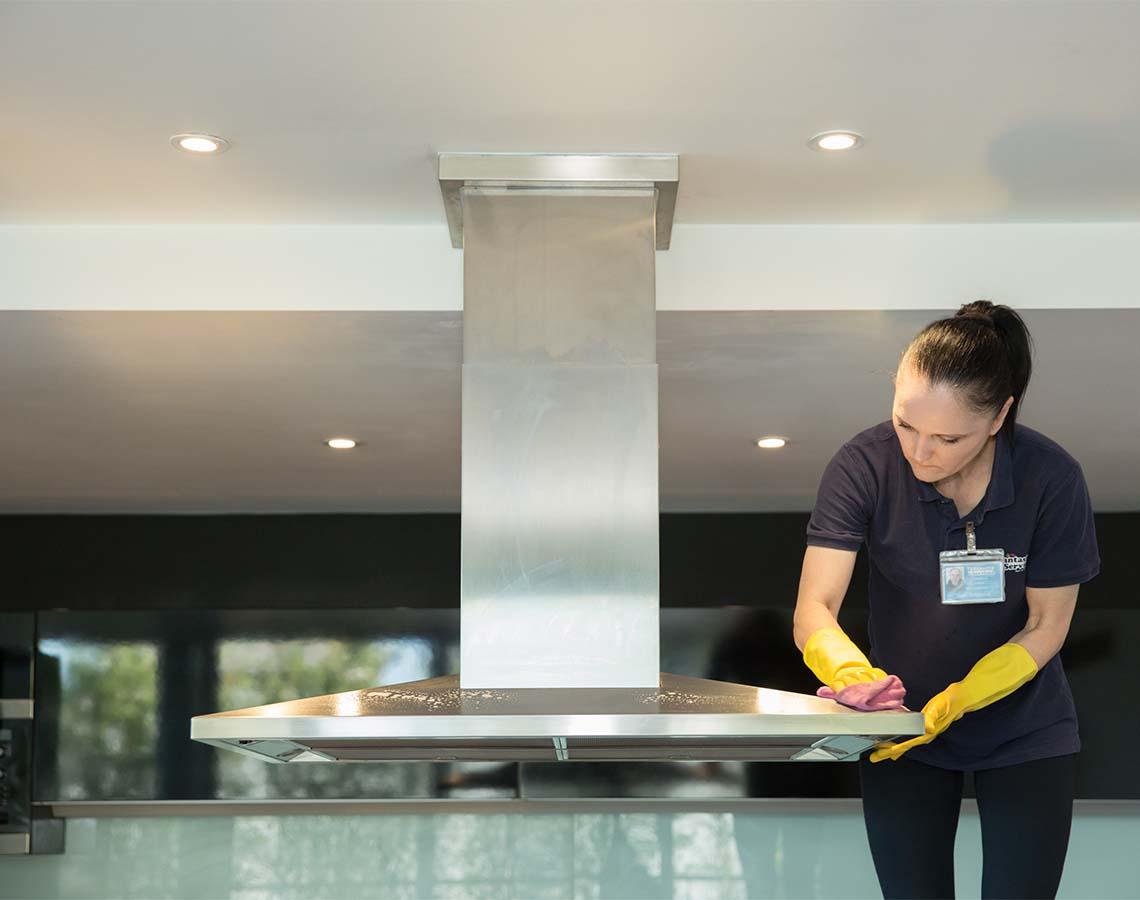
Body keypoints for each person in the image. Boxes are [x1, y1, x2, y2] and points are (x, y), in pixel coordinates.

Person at [792, 301, 1100, 899]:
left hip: (1025, 731)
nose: (919, 452)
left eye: (947, 437)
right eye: (906, 424)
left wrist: (963, 696)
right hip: (900, 728)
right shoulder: (865, 465)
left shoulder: (1051, 478)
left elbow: (1046, 623)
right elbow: (814, 609)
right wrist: (856, 679)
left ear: (998, 417)